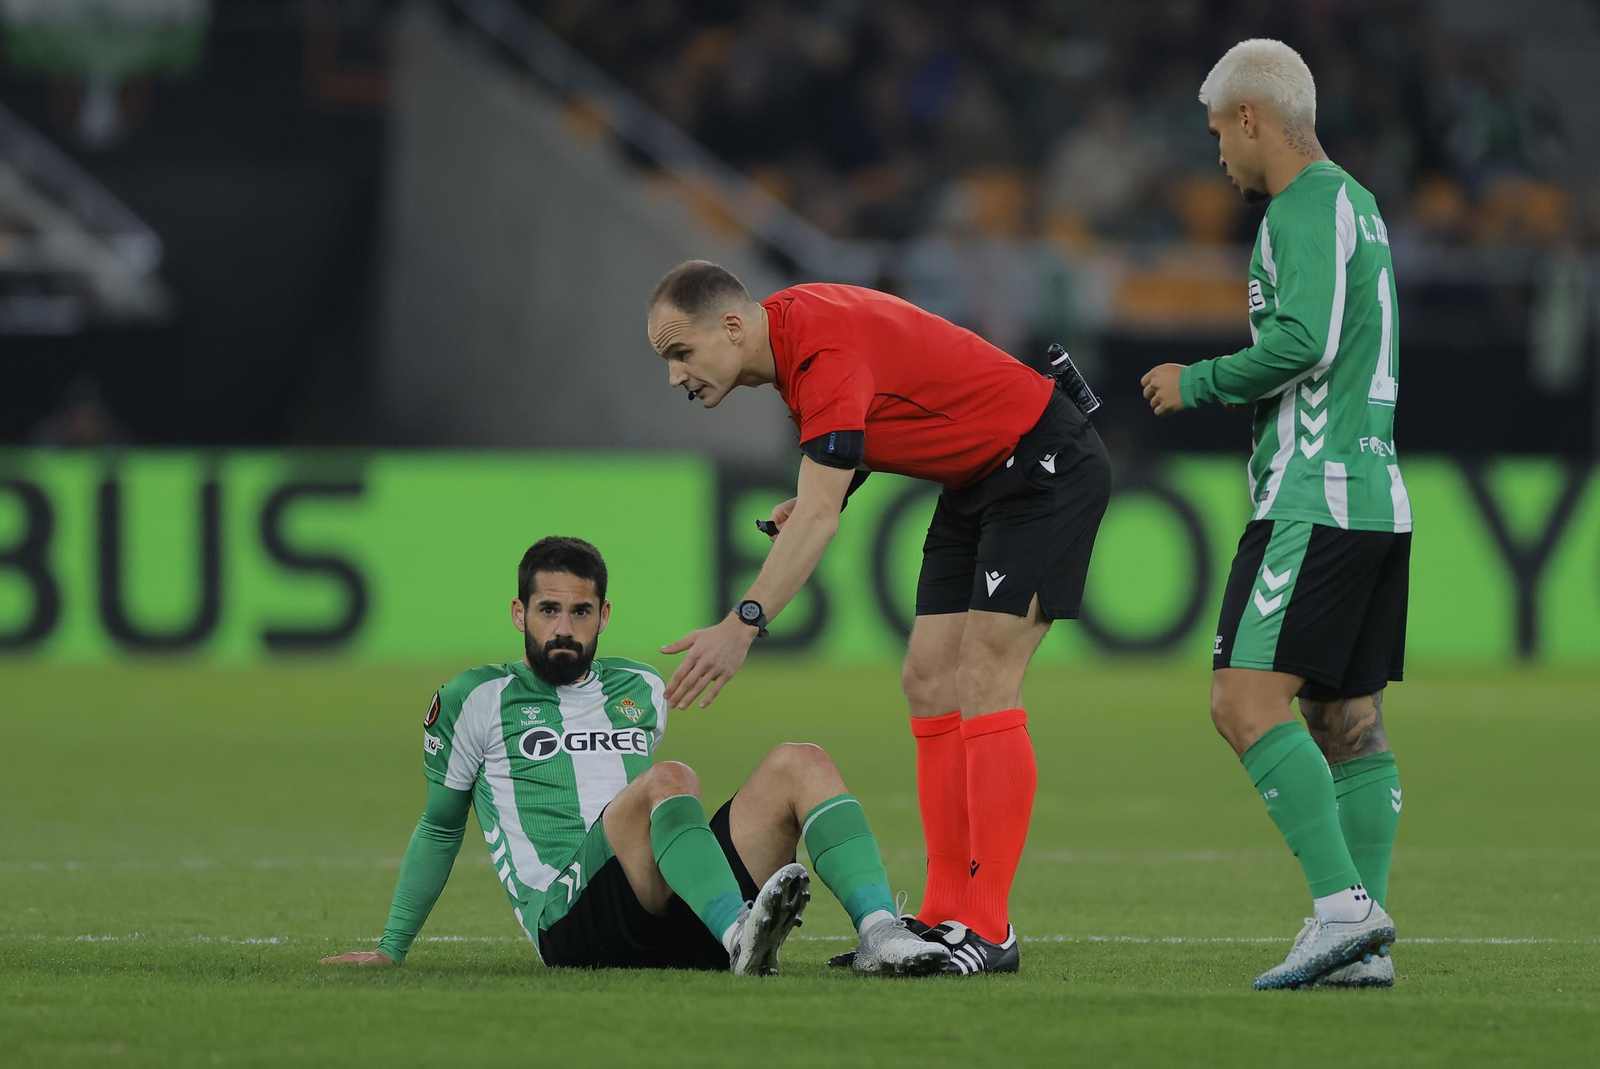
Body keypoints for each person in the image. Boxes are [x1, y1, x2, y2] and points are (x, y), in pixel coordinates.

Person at [645, 266, 1112, 974]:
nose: (675, 378)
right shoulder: (791, 338)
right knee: (928, 678)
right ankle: (942, 907)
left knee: (986, 669)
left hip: (1042, 462)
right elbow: (861, 429)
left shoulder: (816, 354)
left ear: (732, 329)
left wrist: (743, 622)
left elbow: (823, 516)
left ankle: (989, 926)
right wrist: (809, 502)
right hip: (975, 476)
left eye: (680, 353)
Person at [320, 536, 947, 977]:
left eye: (580, 611)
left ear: (604, 616)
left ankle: (880, 935)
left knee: (801, 761)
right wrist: (391, 947)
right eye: (548, 610)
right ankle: (741, 934)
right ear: (519, 614)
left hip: (673, 903)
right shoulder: (474, 699)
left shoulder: (641, 688)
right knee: (669, 779)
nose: (563, 628)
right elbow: (438, 825)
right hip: (568, 920)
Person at [1141, 39, 1409, 990]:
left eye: (1219, 130)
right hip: (1375, 496)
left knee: (1242, 700)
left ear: (1251, 118)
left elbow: (1304, 337)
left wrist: (1197, 379)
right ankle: (1361, 947)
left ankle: (1342, 908)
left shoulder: (1304, 205)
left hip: (1314, 495)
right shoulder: (1361, 205)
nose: (1217, 152)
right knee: (1346, 718)